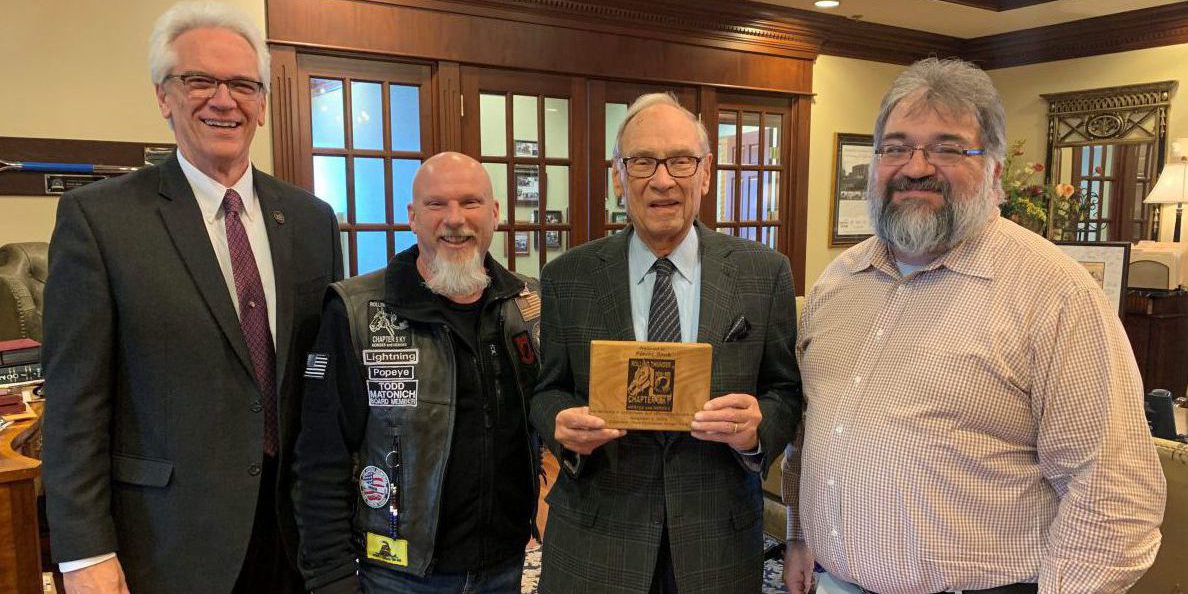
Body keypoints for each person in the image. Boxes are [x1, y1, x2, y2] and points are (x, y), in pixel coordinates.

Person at [784, 57, 1165, 594]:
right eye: (896, 147)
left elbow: (1114, 490)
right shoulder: (840, 282)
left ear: (993, 168)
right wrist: (801, 536)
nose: (916, 166)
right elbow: (813, 427)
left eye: (946, 147)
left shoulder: (1054, 294)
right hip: (834, 579)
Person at [40, 3, 342, 593]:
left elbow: (321, 376)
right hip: (167, 540)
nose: (223, 100)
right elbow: (75, 407)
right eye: (200, 80)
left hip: (296, 533)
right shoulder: (100, 220)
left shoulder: (310, 220)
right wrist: (83, 554)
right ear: (164, 96)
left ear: (261, 102)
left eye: (242, 84)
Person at [530, 92, 802, 594]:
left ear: (704, 172)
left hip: (715, 539)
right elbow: (548, 391)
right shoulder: (568, 276)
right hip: (596, 537)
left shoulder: (763, 273)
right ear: (618, 176)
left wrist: (756, 430)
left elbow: (785, 391)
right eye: (642, 162)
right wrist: (560, 425)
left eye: (680, 160)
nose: (662, 180)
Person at [294, 152, 542, 594]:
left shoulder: (528, 307)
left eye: (471, 202)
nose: (455, 220)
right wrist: (331, 577)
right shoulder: (356, 312)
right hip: (397, 577)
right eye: (436, 205)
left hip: (504, 568)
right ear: (412, 216)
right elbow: (320, 460)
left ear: (495, 213)